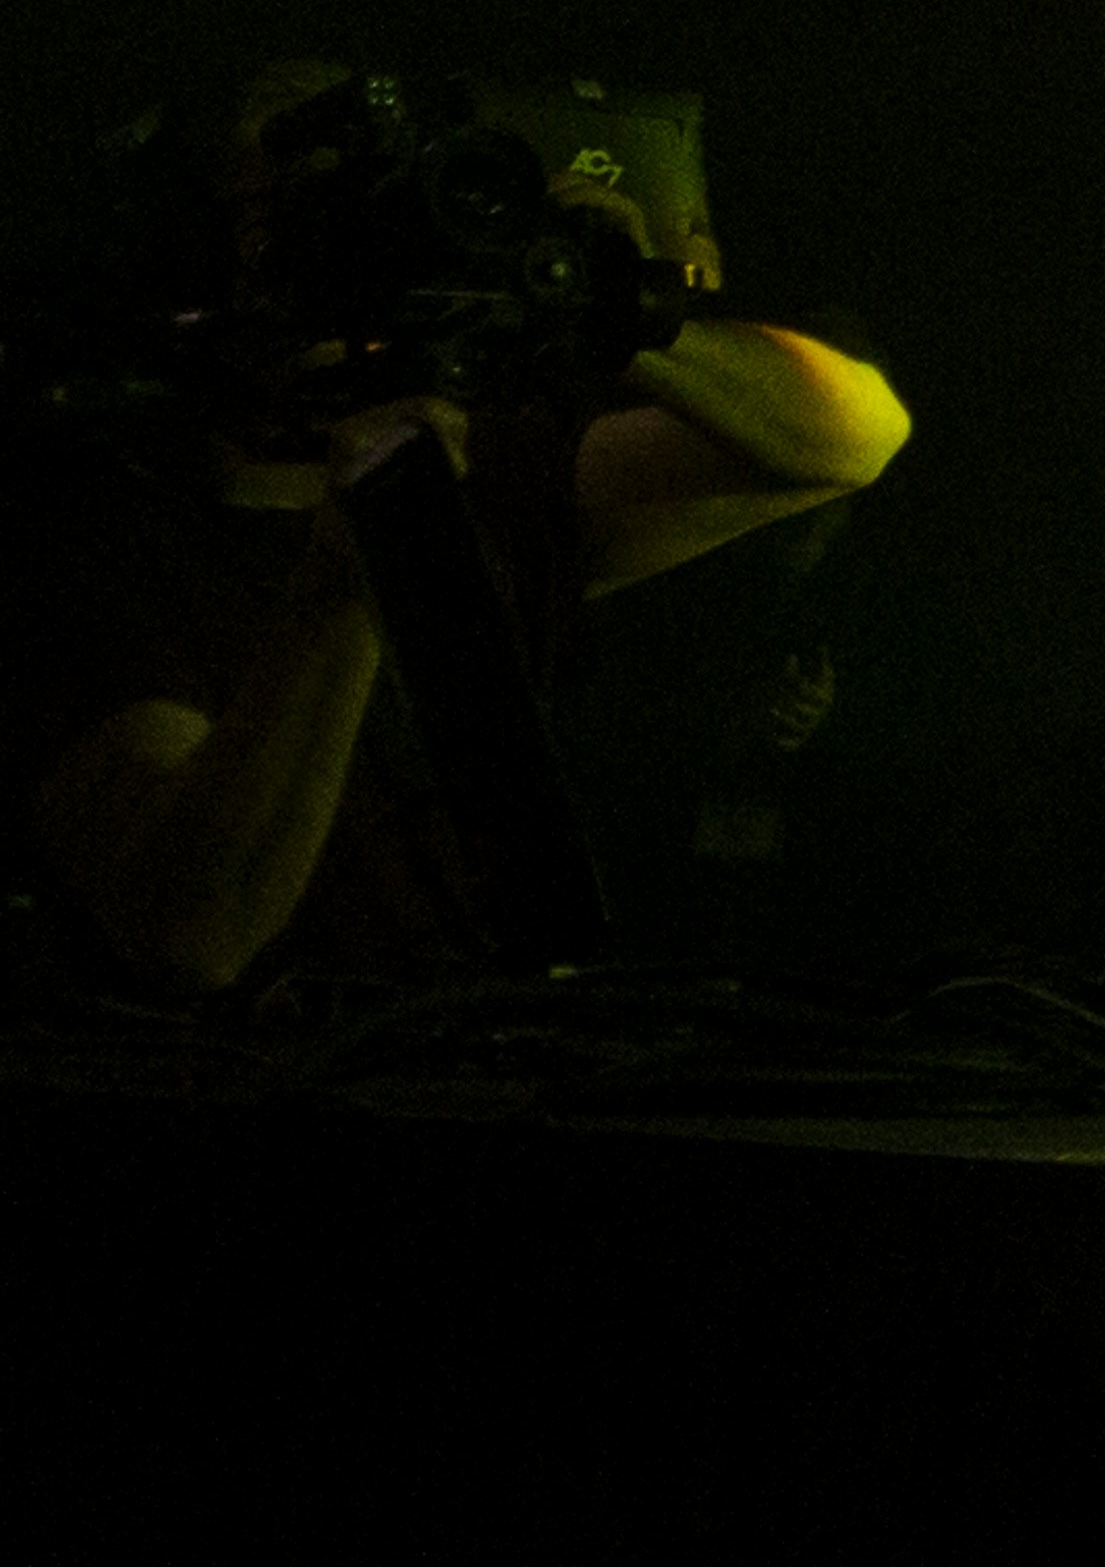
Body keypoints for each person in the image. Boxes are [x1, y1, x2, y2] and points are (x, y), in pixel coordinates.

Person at [11, 74, 913, 999]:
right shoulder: (87, 541)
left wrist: (610, 308)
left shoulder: (494, 476)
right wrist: (363, 560)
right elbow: (194, 935)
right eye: (280, 215)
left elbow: (858, 432)